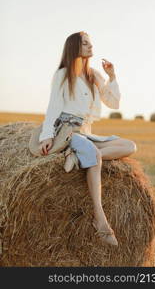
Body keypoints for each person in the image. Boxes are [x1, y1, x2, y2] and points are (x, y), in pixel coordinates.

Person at [38, 31, 137, 246]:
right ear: (74, 47)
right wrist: (46, 136)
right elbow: (53, 107)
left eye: (90, 43)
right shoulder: (63, 75)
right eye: (85, 43)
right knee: (93, 154)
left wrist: (112, 77)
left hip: (87, 132)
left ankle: (82, 156)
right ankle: (100, 218)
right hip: (68, 131)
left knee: (130, 145)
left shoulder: (94, 75)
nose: (90, 46)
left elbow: (113, 103)